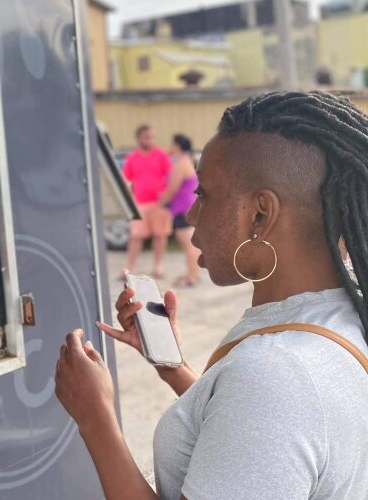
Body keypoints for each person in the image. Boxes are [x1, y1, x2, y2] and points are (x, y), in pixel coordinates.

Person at [55, 91, 368, 499]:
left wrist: (94, 417)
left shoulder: (275, 374)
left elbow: (270, 408)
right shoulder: (335, 316)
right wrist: (174, 368)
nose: (190, 213)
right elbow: (253, 442)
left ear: (260, 214)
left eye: (203, 194)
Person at [122, 125, 173, 278]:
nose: (148, 139)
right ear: (138, 137)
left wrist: (167, 196)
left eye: (151, 136)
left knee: (160, 235)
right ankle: (129, 268)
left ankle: (157, 267)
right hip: (139, 203)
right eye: (145, 136)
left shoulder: (161, 155)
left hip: (159, 204)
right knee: (136, 237)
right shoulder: (132, 158)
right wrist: (130, 198)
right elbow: (126, 180)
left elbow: (171, 176)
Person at [159, 134, 201, 287]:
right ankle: (193, 274)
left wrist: (161, 202)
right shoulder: (187, 160)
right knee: (191, 243)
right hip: (187, 206)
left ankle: (191, 277)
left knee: (188, 243)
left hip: (183, 208)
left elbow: (172, 188)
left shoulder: (182, 162)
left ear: (177, 145)